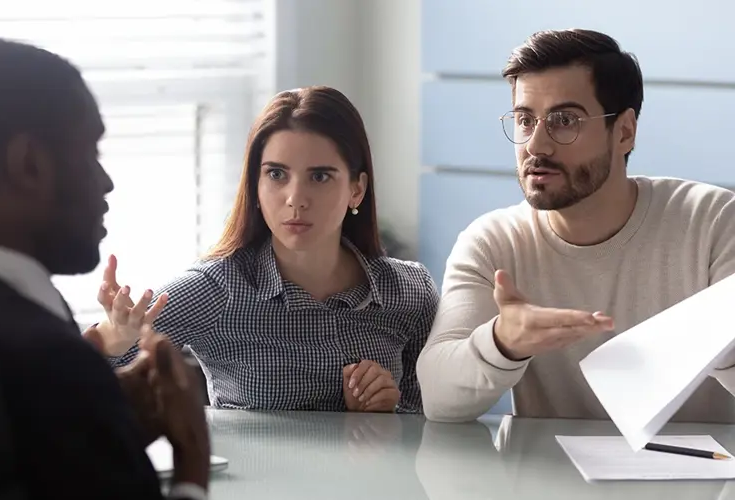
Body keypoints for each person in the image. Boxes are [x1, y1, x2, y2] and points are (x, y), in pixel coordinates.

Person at [0, 37, 210, 500]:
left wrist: (105, 420)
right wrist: (192, 459)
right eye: (91, 152)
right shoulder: (52, 359)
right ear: (29, 165)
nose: (105, 182)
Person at [416, 28, 735, 422]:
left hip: (702, 479)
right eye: (524, 120)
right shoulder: (493, 242)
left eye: (564, 121)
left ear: (624, 131)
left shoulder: (715, 223)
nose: (536, 145)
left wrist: (720, 341)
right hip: (548, 481)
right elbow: (437, 398)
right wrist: (503, 342)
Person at [91, 86, 440, 413]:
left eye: (319, 177)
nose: (295, 199)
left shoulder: (410, 292)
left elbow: (430, 427)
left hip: (372, 479)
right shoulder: (216, 288)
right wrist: (115, 340)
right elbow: (74, 377)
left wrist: (384, 414)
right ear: (255, 186)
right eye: (276, 175)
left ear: (356, 190)